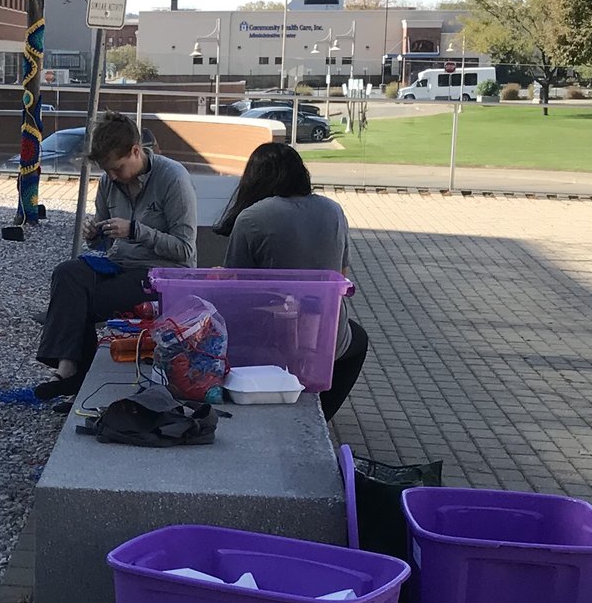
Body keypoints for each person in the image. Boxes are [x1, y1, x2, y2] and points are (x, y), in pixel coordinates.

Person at [33, 115, 196, 399]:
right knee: (67, 273)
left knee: (86, 298)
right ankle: (67, 365)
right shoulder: (108, 182)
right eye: (107, 170)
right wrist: (95, 233)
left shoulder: (172, 178)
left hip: (161, 273)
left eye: (117, 168)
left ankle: (73, 377)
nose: (112, 176)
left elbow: (185, 251)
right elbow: (106, 241)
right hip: (119, 264)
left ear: (136, 150)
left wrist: (135, 231)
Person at [213, 141, 369, 418]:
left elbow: (236, 287)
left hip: (269, 338)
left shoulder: (252, 217)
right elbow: (341, 275)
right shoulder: (334, 210)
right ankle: (324, 413)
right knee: (357, 339)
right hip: (325, 333)